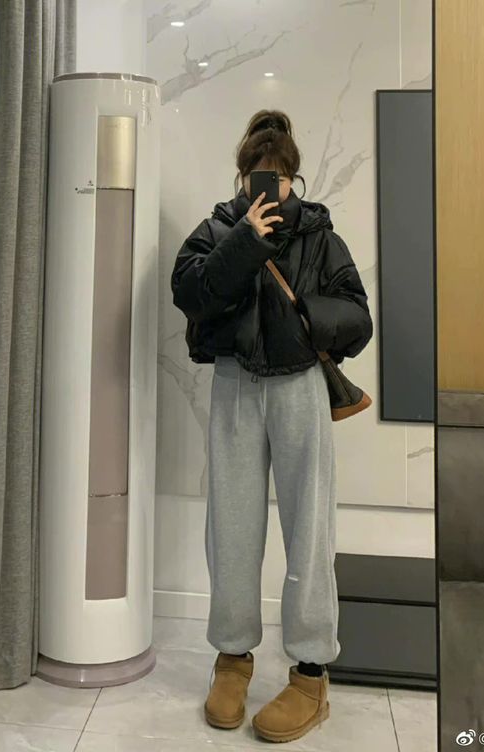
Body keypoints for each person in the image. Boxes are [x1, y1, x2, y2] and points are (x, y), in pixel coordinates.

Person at [170, 110, 373, 743]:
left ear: (294, 178)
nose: (271, 188)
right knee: (231, 527)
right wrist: (245, 242)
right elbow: (190, 293)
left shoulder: (318, 235)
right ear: (242, 177)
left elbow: (358, 316)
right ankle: (232, 659)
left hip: (300, 388)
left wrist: (309, 315)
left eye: (280, 178)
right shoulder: (218, 229)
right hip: (235, 384)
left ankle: (311, 675)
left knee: (309, 527)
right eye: (260, 177)